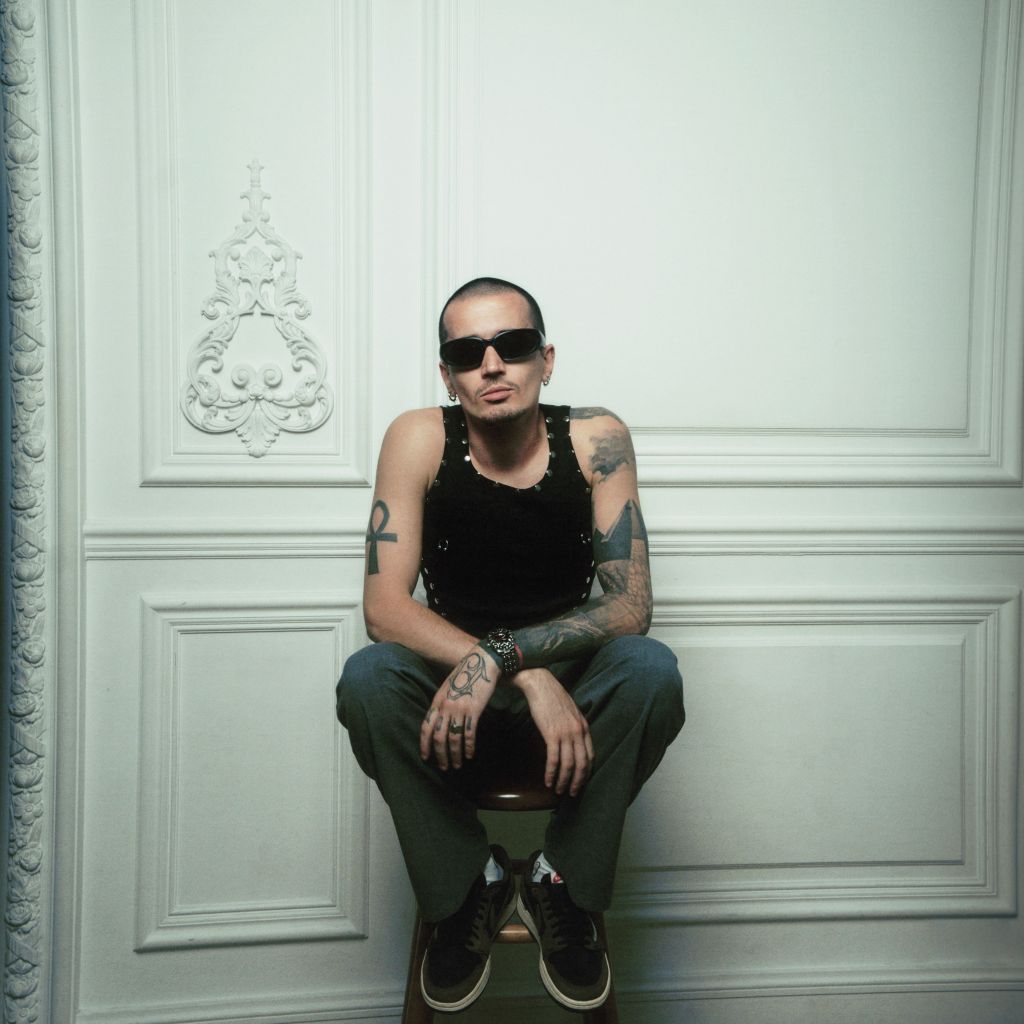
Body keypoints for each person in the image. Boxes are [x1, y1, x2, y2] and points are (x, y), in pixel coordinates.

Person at [336, 277, 684, 1014]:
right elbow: (384, 610)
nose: (492, 365)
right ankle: (471, 885)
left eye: (513, 345)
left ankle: (563, 882)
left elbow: (632, 606)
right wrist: (512, 667)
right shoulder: (417, 437)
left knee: (650, 670)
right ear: (448, 375)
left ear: (545, 360)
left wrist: (511, 659)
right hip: (453, 708)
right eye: (468, 353)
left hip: (572, 716)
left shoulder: (596, 438)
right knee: (368, 678)